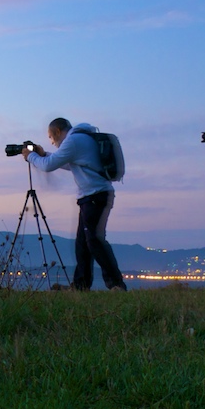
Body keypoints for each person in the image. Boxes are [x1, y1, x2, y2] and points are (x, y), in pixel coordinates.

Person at [22, 118, 127, 290]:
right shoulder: (82, 138)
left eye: (50, 137)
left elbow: (49, 166)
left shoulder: (74, 140)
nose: (52, 142)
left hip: (95, 195)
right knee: (83, 244)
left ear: (57, 132)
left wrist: (31, 156)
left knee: (94, 241)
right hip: (92, 196)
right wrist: (43, 154)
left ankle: (116, 284)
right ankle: (80, 286)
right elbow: (68, 164)